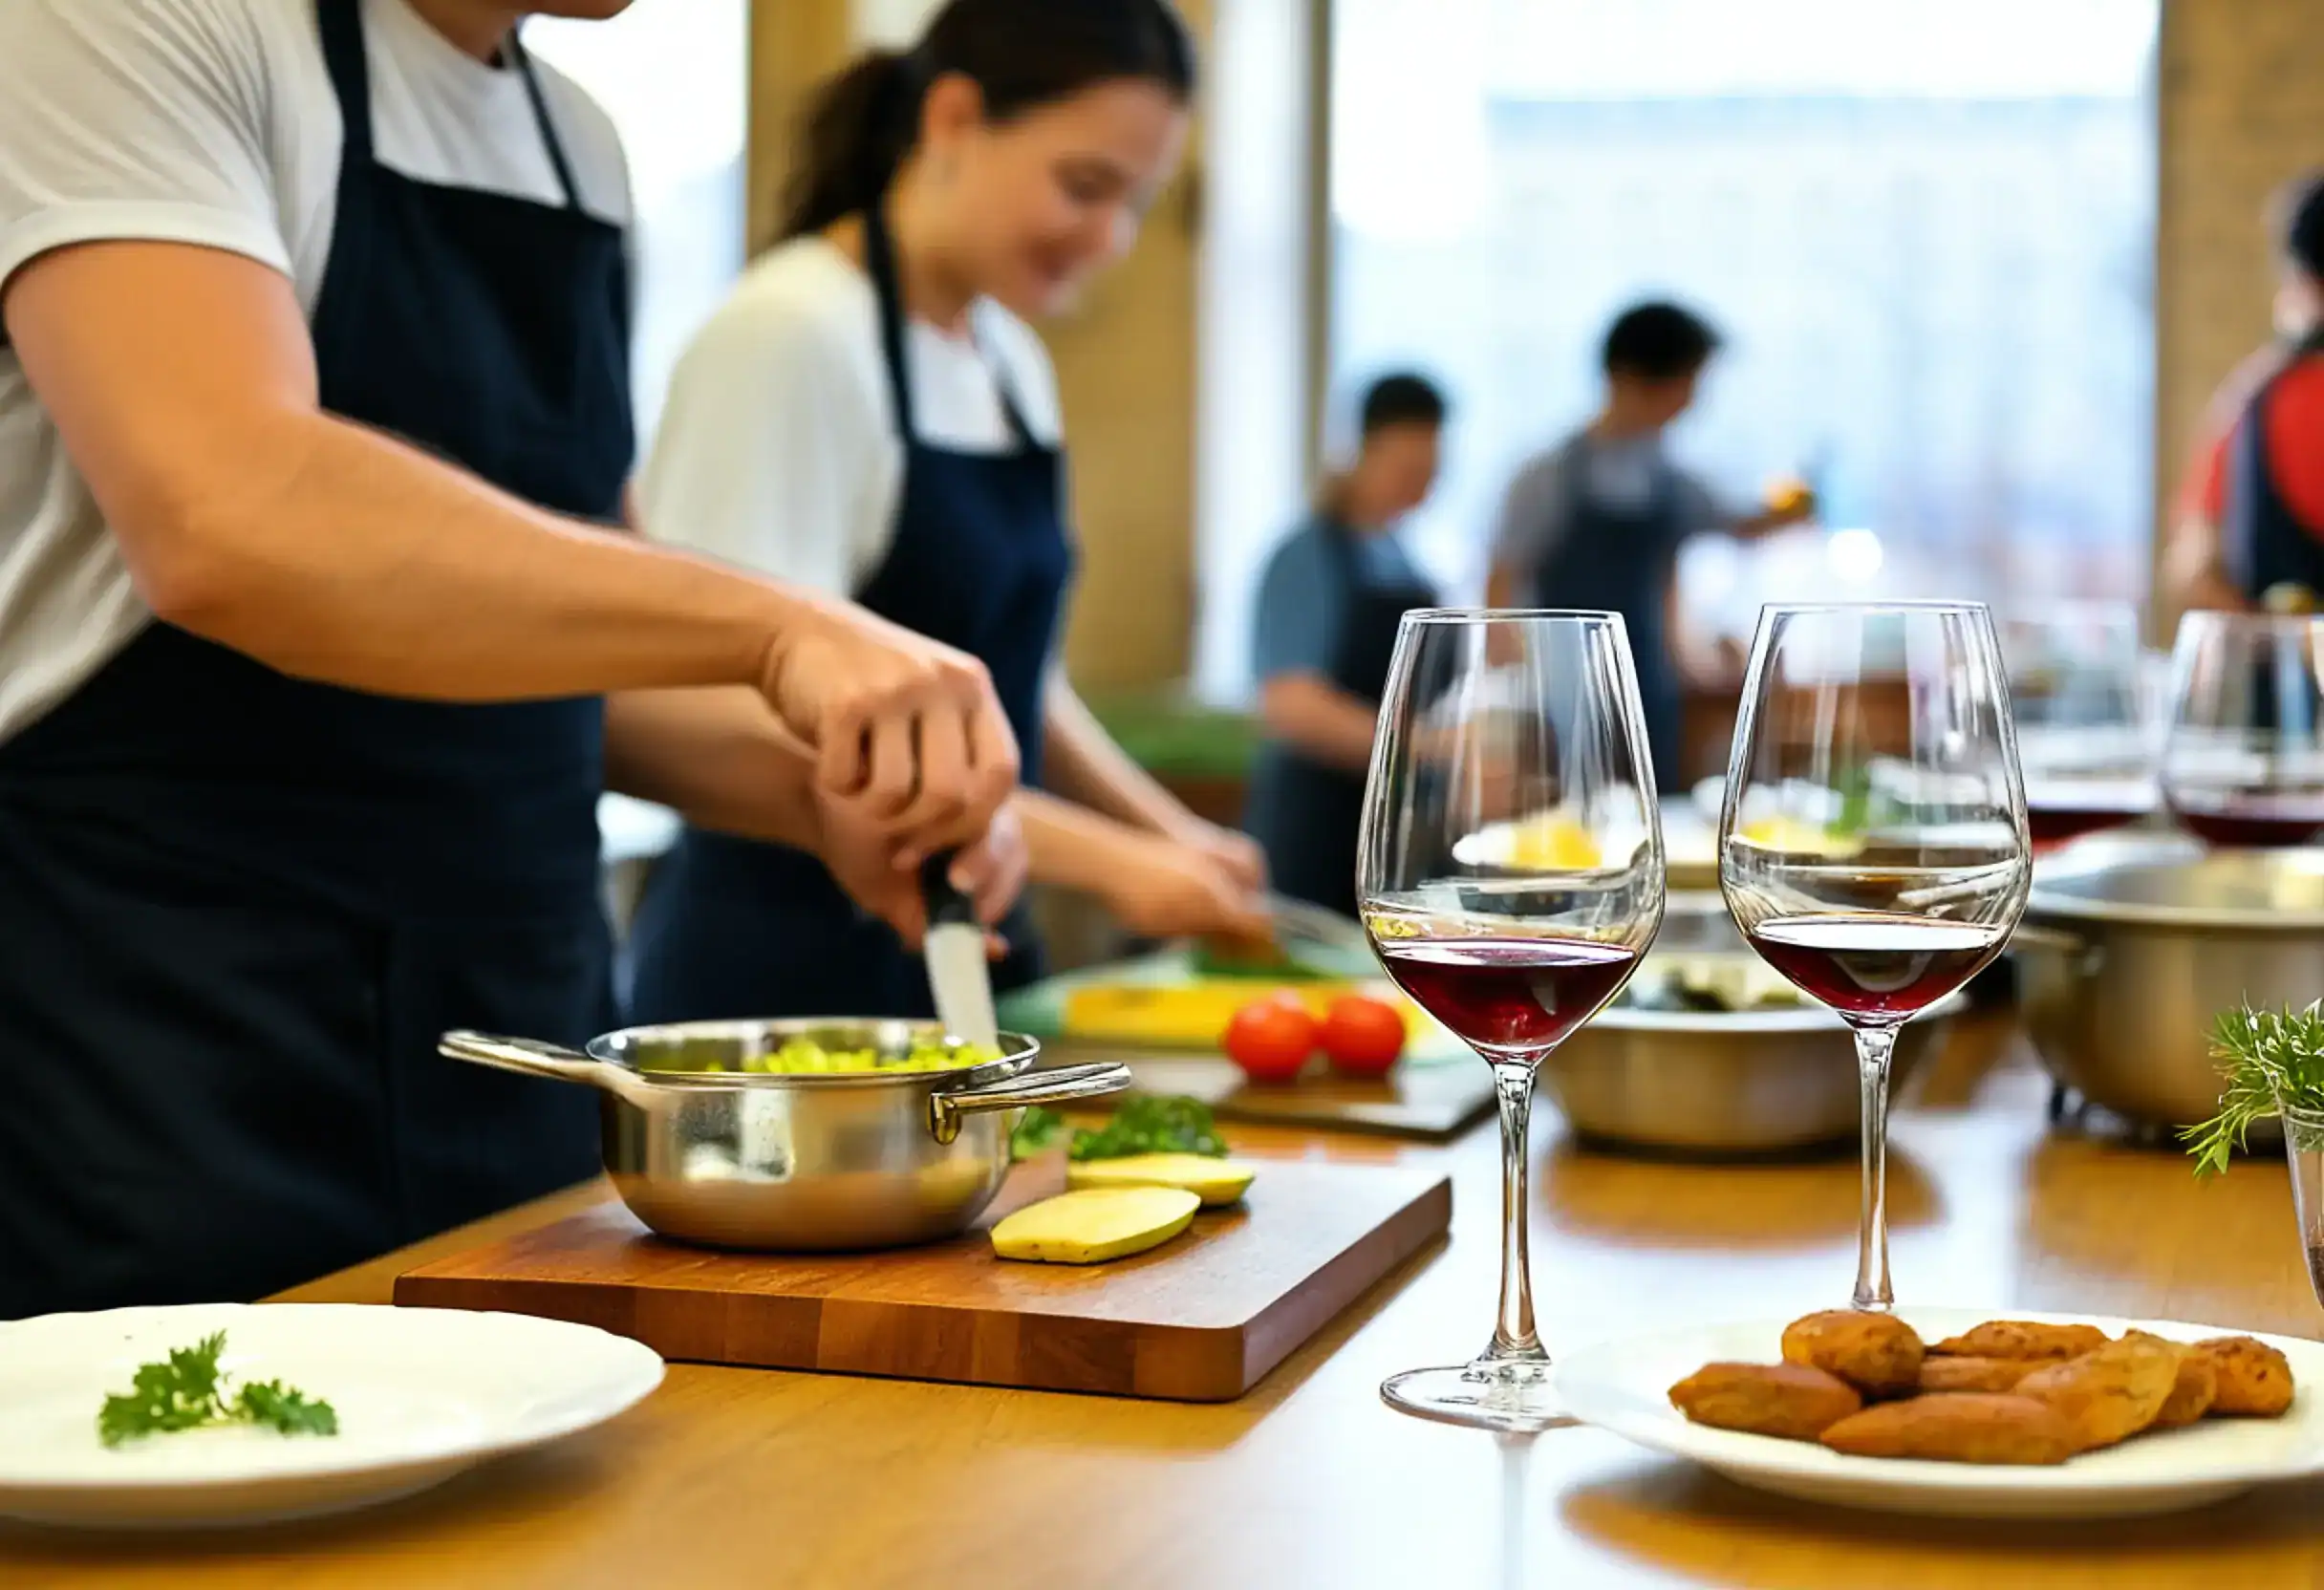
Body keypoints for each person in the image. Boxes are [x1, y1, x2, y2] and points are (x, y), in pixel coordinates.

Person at [0, 0, 1030, 1320]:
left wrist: (813, 795)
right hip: (160, 1043)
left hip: (512, 1045)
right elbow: (229, 514)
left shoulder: (577, 152)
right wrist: (781, 624)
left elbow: (576, 659)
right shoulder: (136, 22)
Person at [623, 0, 1270, 1026]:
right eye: (1084, 186)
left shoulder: (1006, 359)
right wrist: (1114, 864)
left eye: (1137, 203)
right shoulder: (787, 334)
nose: (1109, 239)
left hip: (979, 956)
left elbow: (1017, 678)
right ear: (955, 118)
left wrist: (1167, 835)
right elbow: (734, 713)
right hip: (793, 978)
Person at [1485, 301, 1816, 790]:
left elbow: (1737, 526)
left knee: (1649, 813)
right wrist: (1513, 674)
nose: (1691, 400)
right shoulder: (1548, 476)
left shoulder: (1668, 478)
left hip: (1649, 686)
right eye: (1686, 382)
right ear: (1632, 379)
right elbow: (1501, 581)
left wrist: (1796, 506)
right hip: (1563, 694)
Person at [1242, 373, 1448, 916]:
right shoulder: (1304, 558)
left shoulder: (1402, 558)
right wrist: (1428, 747)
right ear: (1362, 454)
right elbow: (1291, 705)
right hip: (1314, 825)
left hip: (1387, 821)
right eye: (1408, 469)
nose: (1420, 486)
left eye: (1430, 472)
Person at [2164, 172, 2324, 612]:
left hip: (2281, 676)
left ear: (2300, 280)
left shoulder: (2251, 398)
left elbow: (2193, 568)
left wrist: (2282, 646)